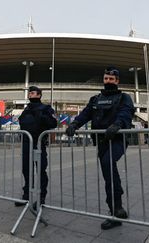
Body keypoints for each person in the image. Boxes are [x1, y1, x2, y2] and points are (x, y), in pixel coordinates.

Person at [66, 67, 135, 230]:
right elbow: (85, 114)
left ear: (117, 81)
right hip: (102, 140)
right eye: (106, 79)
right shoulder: (96, 99)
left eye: (111, 79)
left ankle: (116, 208)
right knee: (107, 170)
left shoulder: (124, 97)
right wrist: (75, 124)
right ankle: (115, 209)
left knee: (108, 164)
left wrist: (118, 124)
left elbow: (126, 113)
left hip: (117, 139)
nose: (108, 82)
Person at [15, 86, 57, 208]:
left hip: (39, 144)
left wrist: (41, 116)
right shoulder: (26, 109)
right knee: (26, 170)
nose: (30, 95)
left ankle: (41, 197)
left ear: (39, 95)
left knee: (41, 171)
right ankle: (26, 196)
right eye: (29, 93)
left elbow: (53, 123)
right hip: (27, 144)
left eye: (32, 93)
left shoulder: (46, 108)